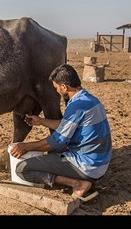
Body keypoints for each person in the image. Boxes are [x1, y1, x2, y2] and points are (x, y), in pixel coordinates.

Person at [10, 64, 112, 201]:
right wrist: (41, 121)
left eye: (57, 88)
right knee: (51, 154)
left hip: (88, 166)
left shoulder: (77, 106)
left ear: (64, 86)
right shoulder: (89, 100)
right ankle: (81, 179)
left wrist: (26, 146)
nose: (57, 91)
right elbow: (67, 125)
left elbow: (56, 142)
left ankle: (78, 183)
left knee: (23, 169)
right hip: (100, 163)